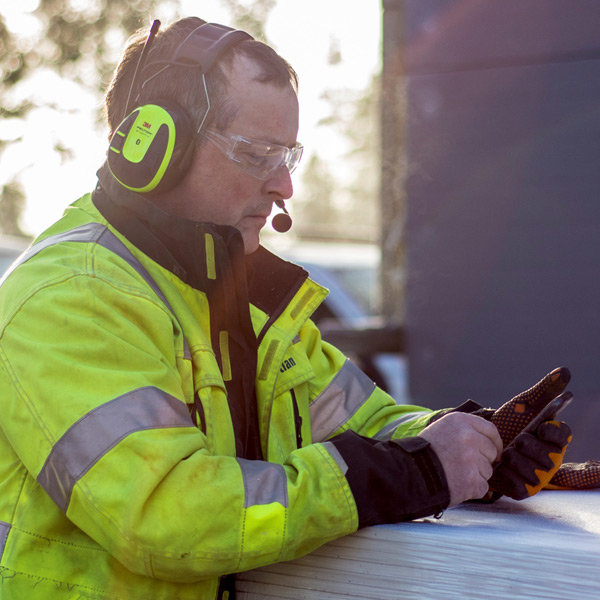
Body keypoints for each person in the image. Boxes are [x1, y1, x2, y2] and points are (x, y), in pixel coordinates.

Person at [0, 16, 573, 600]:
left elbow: (368, 425)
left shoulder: (241, 303)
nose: (284, 187)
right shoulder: (70, 298)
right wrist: (414, 473)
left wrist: (465, 444)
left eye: (288, 155)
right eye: (255, 153)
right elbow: (168, 516)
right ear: (153, 147)